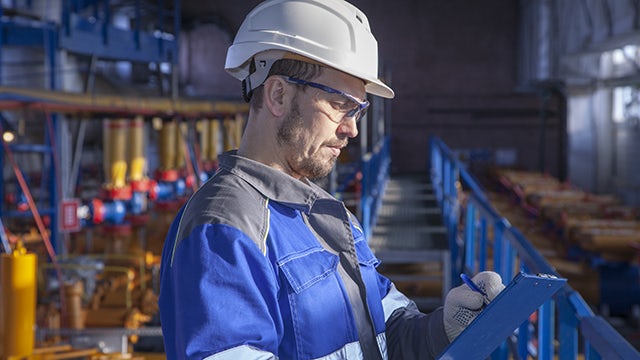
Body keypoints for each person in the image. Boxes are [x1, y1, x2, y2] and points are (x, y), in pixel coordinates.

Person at [158, 0, 505, 359]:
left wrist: (442, 329)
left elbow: (382, 335)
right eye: (341, 105)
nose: (352, 129)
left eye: (359, 110)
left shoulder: (328, 214)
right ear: (278, 94)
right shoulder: (225, 228)